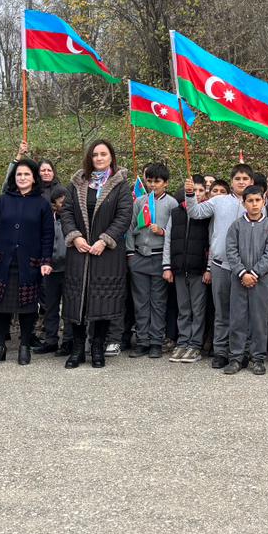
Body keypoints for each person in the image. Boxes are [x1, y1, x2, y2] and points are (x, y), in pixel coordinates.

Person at [62, 140, 133, 369]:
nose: (99, 158)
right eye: (95, 155)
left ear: (111, 157)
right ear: (90, 158)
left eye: (103, 154)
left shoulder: (120, 184)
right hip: (80, 251)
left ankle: (97, 348)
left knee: (102, 300)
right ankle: (77, 349)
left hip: (107, 253)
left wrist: (105, 240)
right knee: (78, 300)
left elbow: (124, 216)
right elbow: (66, 213)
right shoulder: (77, 183)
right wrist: (75, 237)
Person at [0, 159, 53, 365]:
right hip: (2, 262)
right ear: (14, 177)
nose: (22, 178)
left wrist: (46, 261)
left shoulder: (42, 203)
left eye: (27, 174)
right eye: (19, 174)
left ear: (34, 178)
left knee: (27, 308)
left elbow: (48, 235)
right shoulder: (1, 201)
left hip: (29, 263)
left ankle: (24, 346)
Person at [184, 165, 254, 368]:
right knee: (222, 312)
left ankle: (242, 351)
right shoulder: (218, 201)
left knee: (243, 313)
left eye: (245, 178)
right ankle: (221, 351)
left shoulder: (255, 203)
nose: (242, 182)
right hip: (221, 265)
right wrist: (190, 193)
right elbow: (195, 212)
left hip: (247, 269)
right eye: (238, 178)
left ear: (251, 182)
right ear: (231, 181)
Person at [222, 184, 268, 375]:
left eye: (257, 200)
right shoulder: (236, 226)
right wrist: (242, 273)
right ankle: (237, 357)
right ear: (243, 202)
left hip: (259, 280)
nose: (254, 204)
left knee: (259, 319)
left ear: (263, 201)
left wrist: (254, 273)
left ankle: (258, 358)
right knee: (238, 318)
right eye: (250, 201)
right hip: (239, 279)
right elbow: (231, 250)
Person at [128, 162, 179, 359]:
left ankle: (156, 341)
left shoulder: (172, 203)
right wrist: (130, 254)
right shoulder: (140, 201)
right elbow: (131, 227)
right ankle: (142, 340)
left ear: (165, 183)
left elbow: (175, 233)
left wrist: (162, 231)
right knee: (140, 301)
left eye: (157, 181)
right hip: (140, 256)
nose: (152, 185)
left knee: (158, 301)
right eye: (149, 181)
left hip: (159, 257)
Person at [162, 180, 212, 363]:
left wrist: (209, 268)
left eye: (200, 190)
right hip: (179, 269)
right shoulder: (176, 213)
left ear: (205, 194)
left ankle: (195, 345)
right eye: (193, 190)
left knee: (198, 309)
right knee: (183, 308)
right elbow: (168, 239)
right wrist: (167, 266)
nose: (196, 193)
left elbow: (211, 243)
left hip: (199, 270)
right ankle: (182, 342)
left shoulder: (207, 214)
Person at [35, 186, 70, 356]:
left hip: (69, 269)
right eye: (61, 203)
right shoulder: (47, 219)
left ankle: (68, 341)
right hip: (50, 269)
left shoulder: (72, 221)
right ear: (54, 205)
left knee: (69, 307)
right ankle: (50, 340)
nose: (64, 206)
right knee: (50, 307)